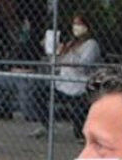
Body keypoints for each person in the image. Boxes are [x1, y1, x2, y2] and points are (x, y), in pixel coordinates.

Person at [28, 12, 100, 140]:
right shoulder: (71, 43)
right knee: (36, 94)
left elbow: (84, 66)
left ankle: (81, 132)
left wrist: (69, 53)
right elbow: (55, 65)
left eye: (80, 24)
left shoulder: (91, 44)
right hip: (62, 87)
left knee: (78, 125)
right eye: (74, 24)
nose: (76, 27)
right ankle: (48, 127)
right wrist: (52, 50)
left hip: (80, 89)